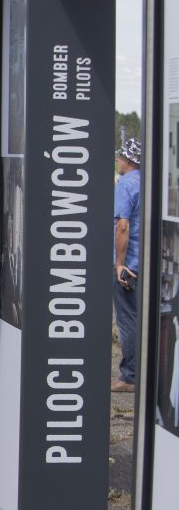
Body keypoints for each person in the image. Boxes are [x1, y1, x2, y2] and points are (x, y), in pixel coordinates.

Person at [112, 138, 142, 393]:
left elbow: (123, 225)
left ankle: (129, 377)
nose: (118, 160)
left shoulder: (126, 184)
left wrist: (119, 264)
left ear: (128, 160)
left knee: (128, 320)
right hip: (146, 262)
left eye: (120, 157)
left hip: (129, 264)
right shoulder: (148, 182)